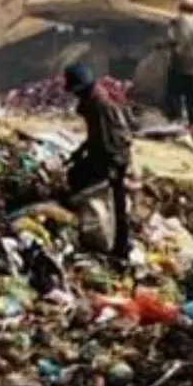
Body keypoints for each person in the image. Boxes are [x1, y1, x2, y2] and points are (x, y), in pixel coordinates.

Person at [63, 62, 133, 257]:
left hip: (113, 157)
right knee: (78, 175)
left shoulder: (100, 106)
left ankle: (120, 247)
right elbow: (95, 136)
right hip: (104, 154)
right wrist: (79, 152)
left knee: (117, 203)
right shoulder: (93, 102)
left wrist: (112, 167)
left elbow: (112, 139)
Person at [163, 0, 193, 124]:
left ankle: (176, 121)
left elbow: (179, 40)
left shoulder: (179, 21)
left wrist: (171, 48)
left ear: (180, 7)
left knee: (174, 95)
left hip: (180, 64)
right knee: (191, 98)